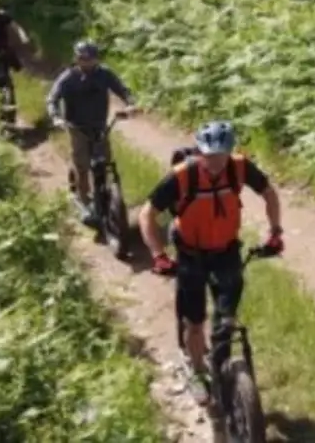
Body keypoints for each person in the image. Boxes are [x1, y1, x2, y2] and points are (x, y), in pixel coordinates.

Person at [137, 120, 283, 406]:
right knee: (195, 322)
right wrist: (159, 254)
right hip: (191, 253)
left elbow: (269, 192)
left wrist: (275, 232)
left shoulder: (239, 167)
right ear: (199, 152)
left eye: (221, 154)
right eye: (209, 154)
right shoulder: (182, 175)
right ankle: (198, 371)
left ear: (230, 151)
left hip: (227, 251)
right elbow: (147, 214)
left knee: (225, 319)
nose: (215, 161)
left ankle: (224, 365)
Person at [46, 40, 138, 224]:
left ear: (96, 59)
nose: (87, 62)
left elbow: (122, 89)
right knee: (82, 165)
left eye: (90, 59)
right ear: (76, 59)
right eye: (82, 59)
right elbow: (52, 98)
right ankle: (84, 202)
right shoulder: (68, 78)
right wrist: (56, 116)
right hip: (77, 127)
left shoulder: (104, 74)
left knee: (104, 161)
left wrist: (131, 104)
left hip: (100, 125)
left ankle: (110, 197)